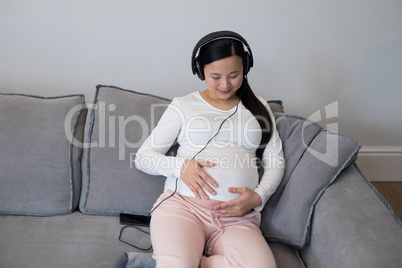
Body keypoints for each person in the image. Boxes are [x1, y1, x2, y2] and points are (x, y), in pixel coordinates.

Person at [135, 30, 284, 268]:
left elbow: (275, 161)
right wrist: (180, 167)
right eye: (215, 76)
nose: (225, 85)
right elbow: (143, 157)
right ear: (199, 71)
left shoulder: (260, 107)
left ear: (245, 68)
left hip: (237, 218)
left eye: (234, 75)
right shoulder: (183, 106)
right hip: (183, 208)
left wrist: (259, 196)